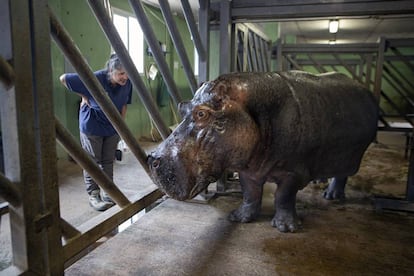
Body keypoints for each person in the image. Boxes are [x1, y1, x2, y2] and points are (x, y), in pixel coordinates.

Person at [59, 53, 132, 211]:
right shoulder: (95, 78)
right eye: (121, 74)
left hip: (112, 127)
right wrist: (84, 95)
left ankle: (108, 192)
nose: (125, 77)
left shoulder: (127, 83)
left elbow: (124, 104)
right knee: (92, 161)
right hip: (92, 126)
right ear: (111, 71)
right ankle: (94, 195)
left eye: (127, 73)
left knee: (107, 160)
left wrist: (120, 126)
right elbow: (64, 78)